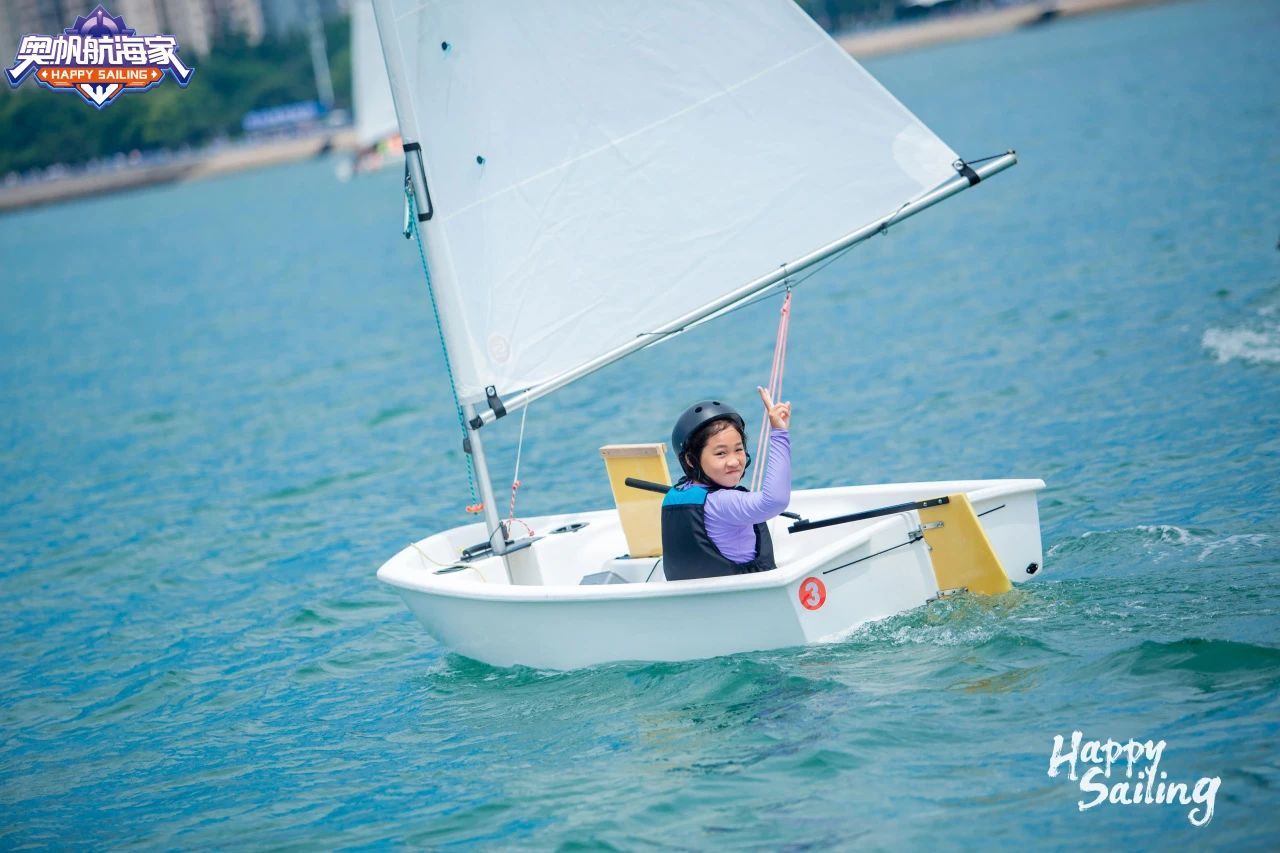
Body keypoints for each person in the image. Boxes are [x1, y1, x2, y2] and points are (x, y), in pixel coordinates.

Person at [661, 388, 792, 581]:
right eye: (721, 453)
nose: (733, 461)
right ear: (691, 460)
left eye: (738, 449)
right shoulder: (723, 502)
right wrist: (780, 433)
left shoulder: (678, 494)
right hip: (746, 597)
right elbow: (775, 501)